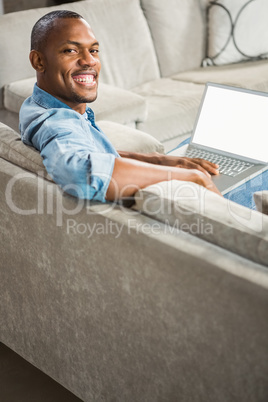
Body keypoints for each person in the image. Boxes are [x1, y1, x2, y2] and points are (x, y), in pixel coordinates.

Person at [19, 10, 221, 203]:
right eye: (71, 50)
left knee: (197, 149)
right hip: (172, 207)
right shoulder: (56, 122)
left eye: (94, 50)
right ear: (39, 61)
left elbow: (91, 153)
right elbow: (82, 172)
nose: (90, 60)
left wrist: (160, 160)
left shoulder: (35, 106)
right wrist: (193, 177)